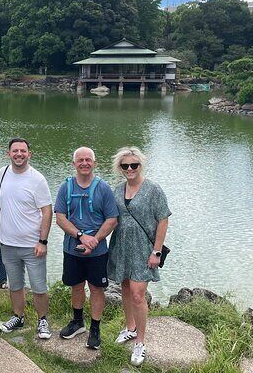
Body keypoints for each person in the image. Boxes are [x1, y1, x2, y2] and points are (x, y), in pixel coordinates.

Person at [107, 146, 170, 367]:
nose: (130, 169)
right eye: (125, 166)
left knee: (137, 295)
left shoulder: (153, 189)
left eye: (134, 165)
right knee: (125, 287)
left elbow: (163, 219)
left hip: (144, 249)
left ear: (140, 165)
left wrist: (157, 251)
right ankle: (130, 328)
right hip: (121, 247)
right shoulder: (117, 190)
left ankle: (140, 342)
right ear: (120, 168)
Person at [54, 147, 118, 350]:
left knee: (97, 288)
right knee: (76, 285)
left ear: (94, 163)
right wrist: (81, 236)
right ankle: (77, 322)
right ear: (74, 164)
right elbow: (60, 218)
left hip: (98, 250)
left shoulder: (103, 188)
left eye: (88, 160)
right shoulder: (66, 187)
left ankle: (95, 328)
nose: (84, 163)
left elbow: (112, 219)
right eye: (80, 160)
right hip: (72, 247)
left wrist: (95, 240)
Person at [0, 138, 53, 339]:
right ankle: (18, 317)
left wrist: (43, 241)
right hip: (8, 243)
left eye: (23, 151)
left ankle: (42, 320)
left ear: (30, 154)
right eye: (15, 151)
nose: (19, 154)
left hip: (32, 245)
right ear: (8, 153)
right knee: (15, 285)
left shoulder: (37, 179)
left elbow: (47, 211)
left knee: (38, 286)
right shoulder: (1, 174)